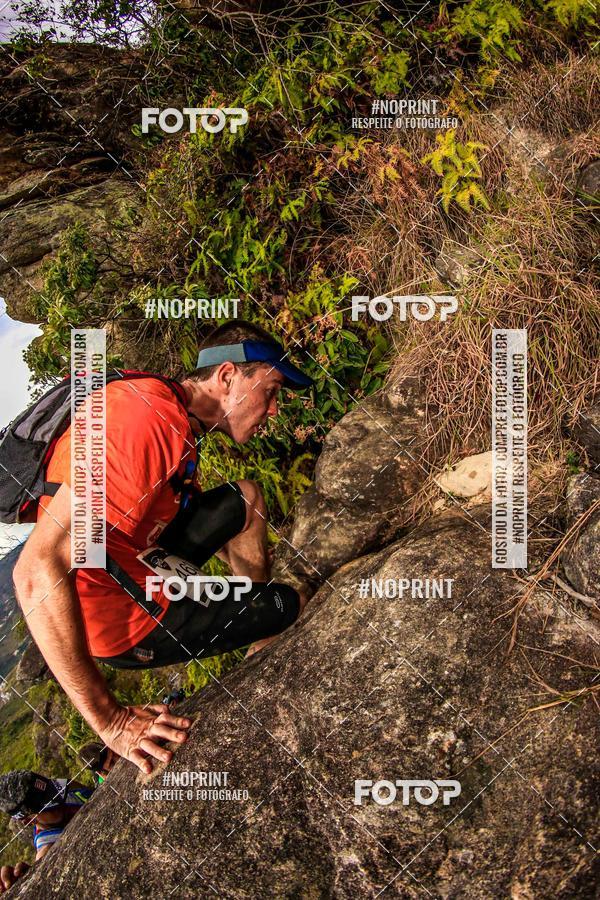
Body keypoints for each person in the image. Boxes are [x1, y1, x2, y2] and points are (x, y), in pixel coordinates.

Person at [13, 321, 315, 776]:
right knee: (291, 604)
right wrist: (110, 722)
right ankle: (261, 615)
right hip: (122, 616)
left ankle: (251, 622)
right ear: (228, 376)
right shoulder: (143, 422)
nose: (273, 411)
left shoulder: (164, 406)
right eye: (270, 391)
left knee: (246, 499)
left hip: (137, 557)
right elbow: (35, 570)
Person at [0, 770, 94, 891]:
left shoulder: (65, 787)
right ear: (29, 821)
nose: (58, 800)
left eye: (52, 792)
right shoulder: (47, 850)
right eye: (48, 805)